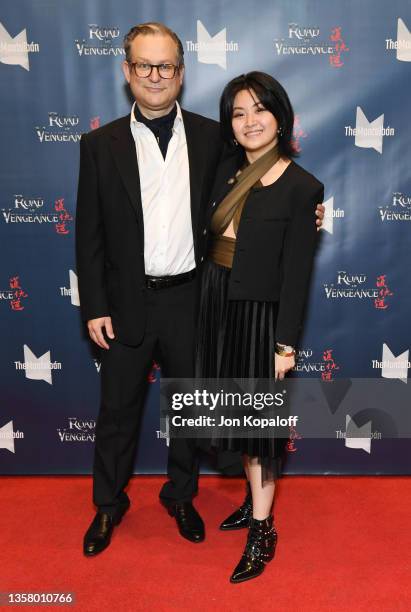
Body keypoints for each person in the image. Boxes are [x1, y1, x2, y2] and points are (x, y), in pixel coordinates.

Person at [76, 22, 325, 556]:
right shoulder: (98, 145)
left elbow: (266, 182)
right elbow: (89, 233)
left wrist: (309, 212)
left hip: (195, 298)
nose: (155, 76)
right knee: (116, 409)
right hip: (125, 302)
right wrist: (94, 304)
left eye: (165, 65)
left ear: (181, 73)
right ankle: (107, 506)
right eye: (144, 65)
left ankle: (182, 496)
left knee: (192, 408)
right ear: (127, 72)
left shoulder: (216, 137)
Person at [195, 71, 324, 583]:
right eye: (239, 112)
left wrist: (285, 345)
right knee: (234, 419)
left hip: (260, 317)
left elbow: (297, 276)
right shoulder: (221, 168)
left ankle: (263, 530)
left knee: (261, 430)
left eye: (260, 109)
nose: (250, 121)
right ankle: (252, 503)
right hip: (213, 304)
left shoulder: (302, 187)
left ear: (280, 115)